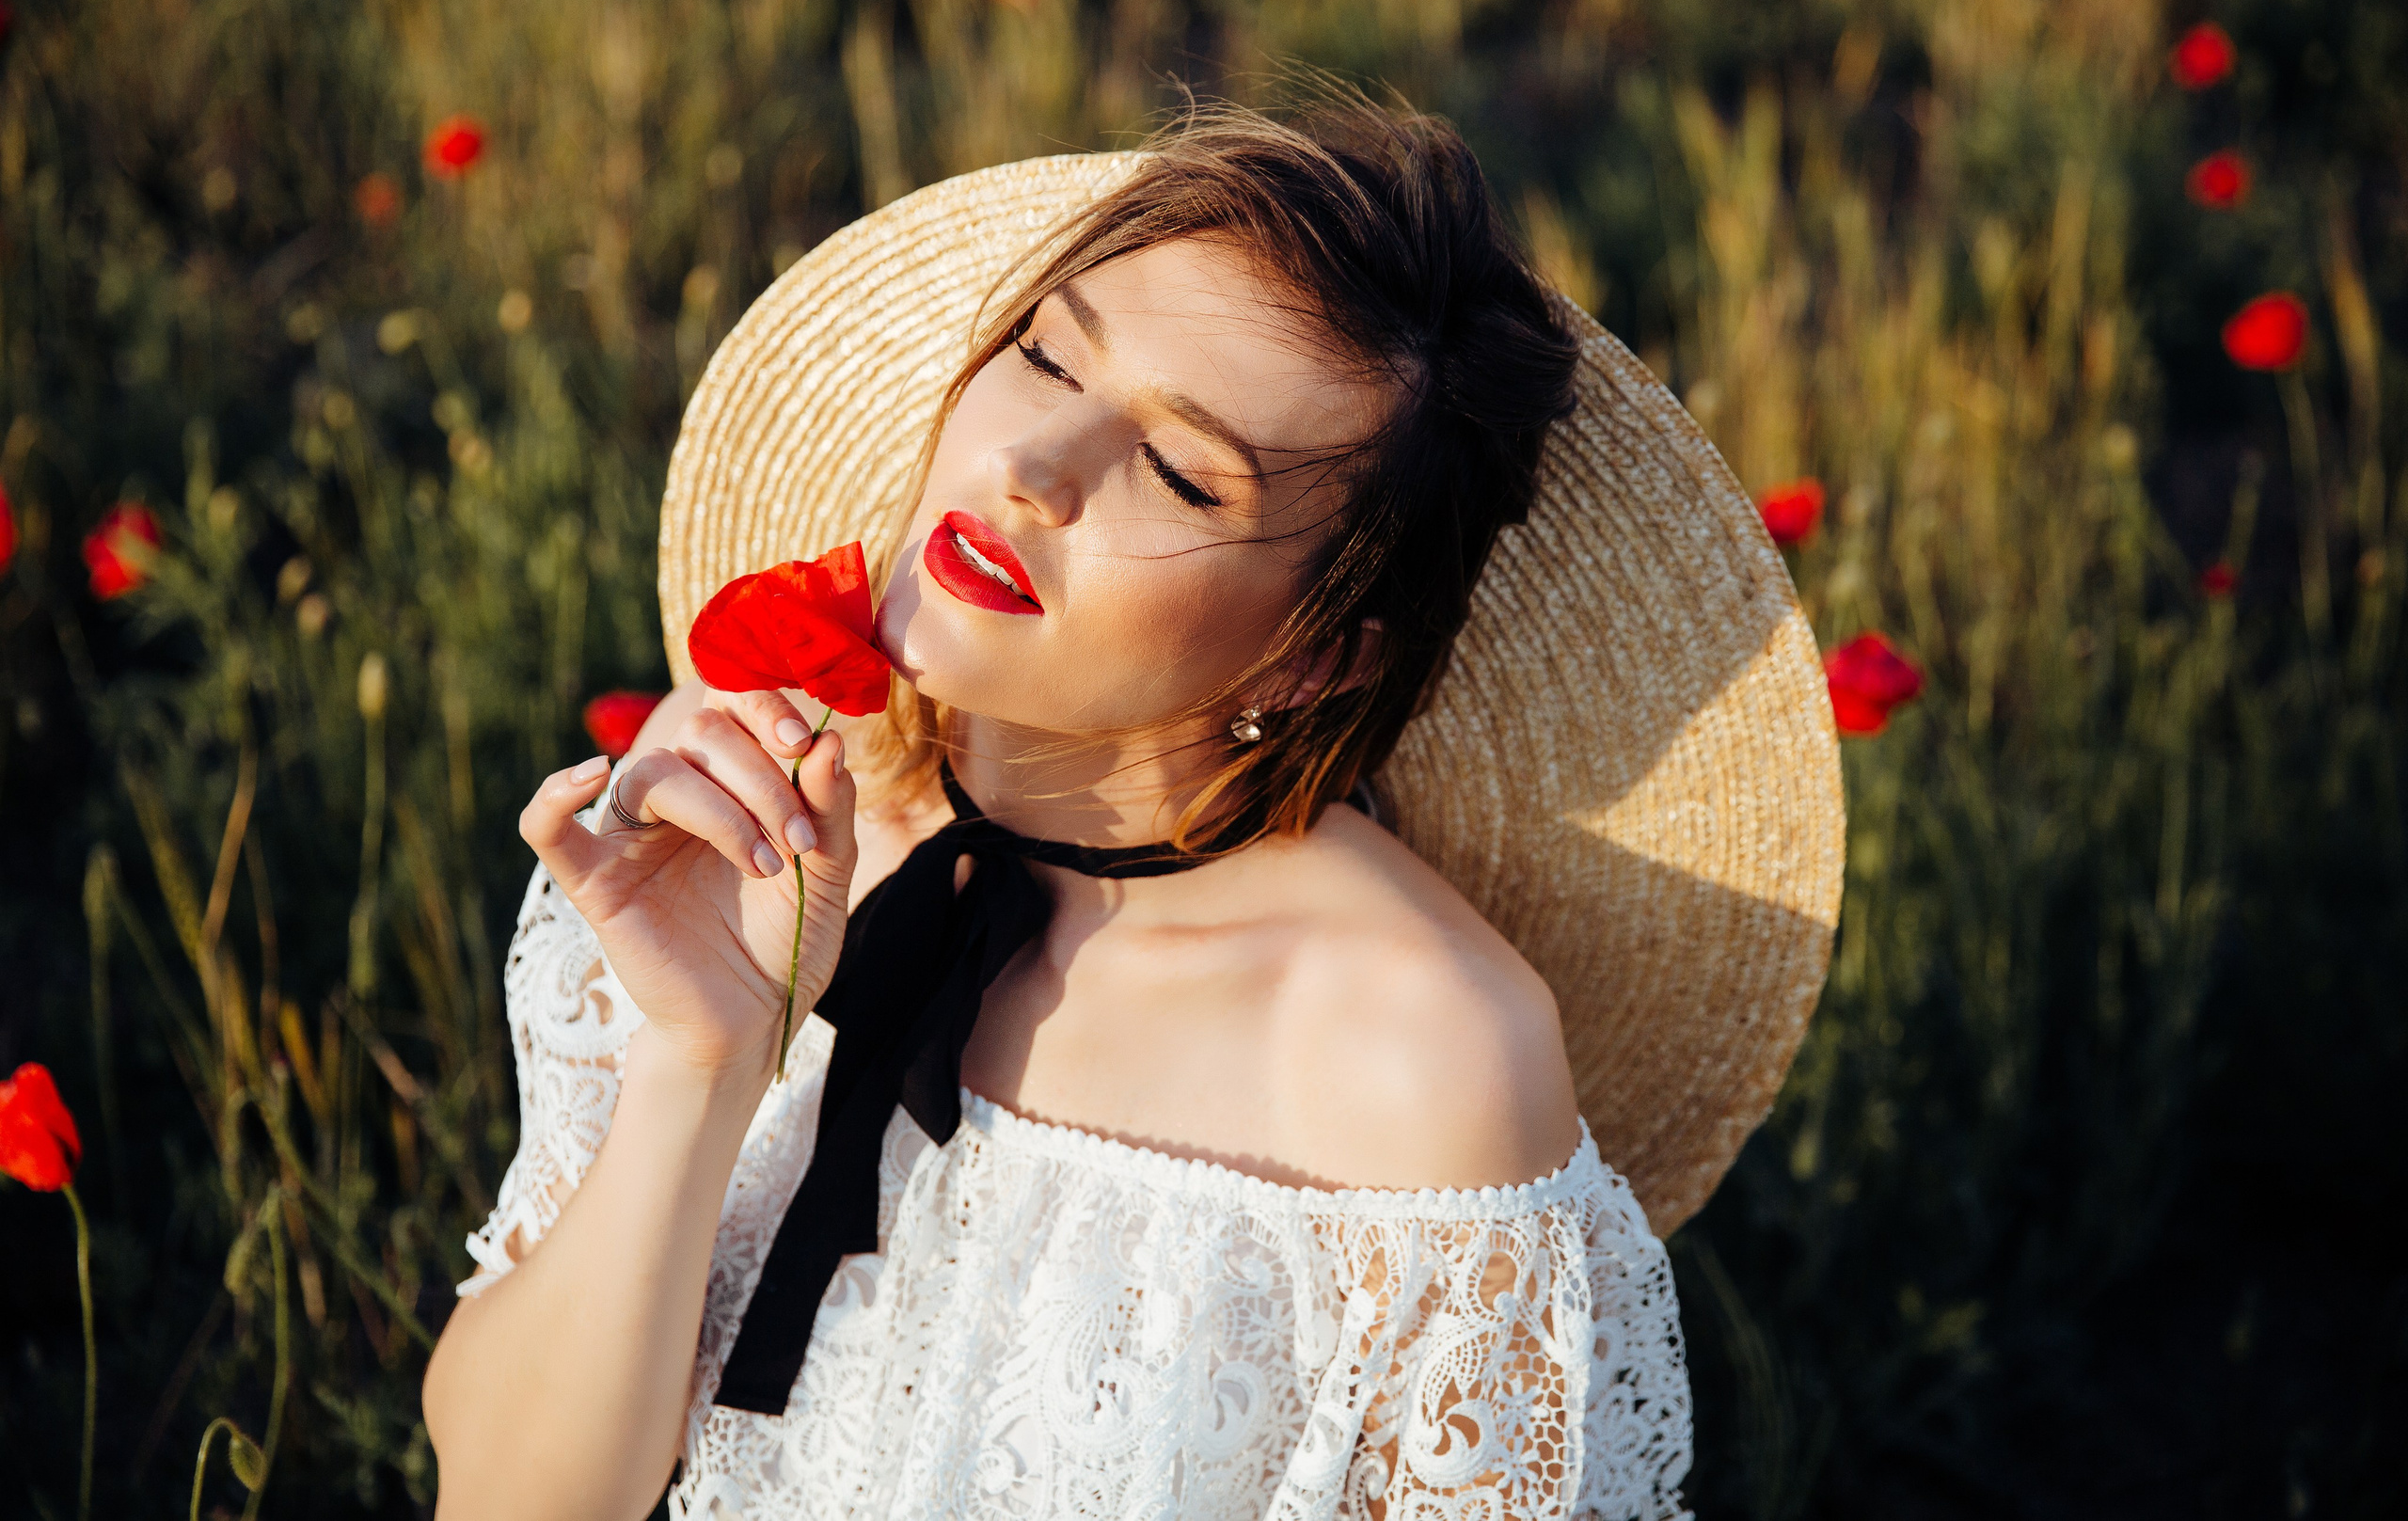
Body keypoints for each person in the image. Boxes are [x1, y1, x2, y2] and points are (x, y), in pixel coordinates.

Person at [421, 92, 1844, 1520]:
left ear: (1317, 653)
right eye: (1046, 355)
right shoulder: (739, 826)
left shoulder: (1414, 1059)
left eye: (1177, 469)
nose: (1032, 470)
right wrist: (701, 1056)